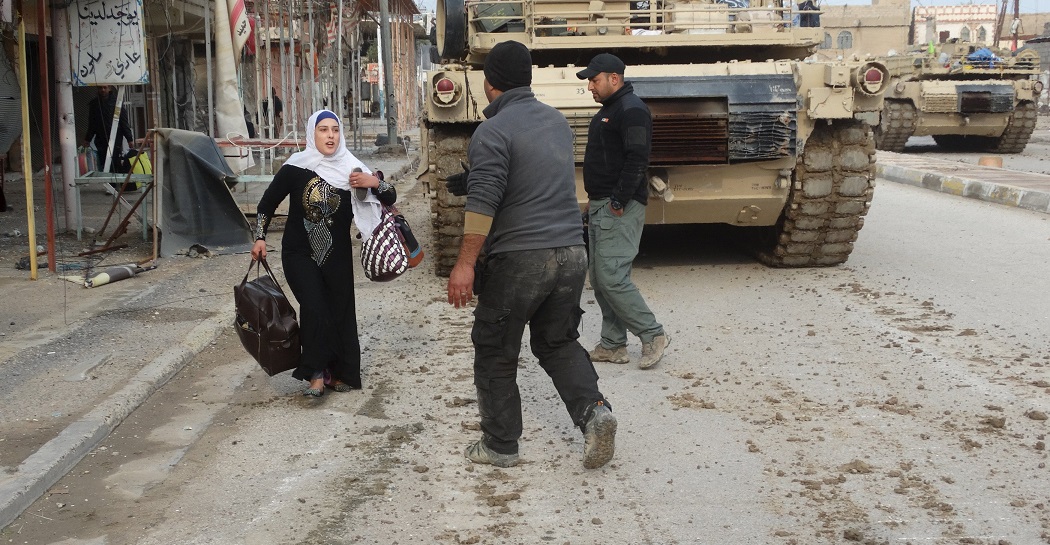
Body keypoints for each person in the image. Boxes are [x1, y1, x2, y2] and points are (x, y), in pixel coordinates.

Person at [445, 41, 616, 470]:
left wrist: (464, 264)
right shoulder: (556, 122)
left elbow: (484, 202)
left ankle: (500, 445)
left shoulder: (492, 131)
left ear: (489, 83)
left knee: (495, 348)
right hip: (572, 252)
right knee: (557, 341)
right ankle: (595, 414)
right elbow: (531, 176)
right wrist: (473, 179)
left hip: (522, 259)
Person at [251, 110, 395, 397]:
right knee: (315, 306)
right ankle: (315, 373)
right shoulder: (296, 167)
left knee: (340, 312)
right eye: (323, 130)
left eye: (335, 130)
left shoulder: (353, 168)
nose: (330, 135)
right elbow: (267, 203)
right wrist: (260, 237)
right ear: (311, 134)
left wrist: (374, 183)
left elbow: (390, 196)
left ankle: (338, 373)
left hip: (337, 255)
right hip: (298, 253)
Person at [576, 53, 670, 370]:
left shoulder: (631, 111)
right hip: (604, 202)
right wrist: (597, 199)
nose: (590, 86)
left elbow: (637, 159)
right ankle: (614, 345)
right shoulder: (613, 110)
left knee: (612, 277)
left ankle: (653, 334)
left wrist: (617, 201)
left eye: (594, 79)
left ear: (614, 78)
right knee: (602, 280)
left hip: (621, 206)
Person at [83, 85, 134, 173]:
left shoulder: (117, 103)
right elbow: (92, 124)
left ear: (109, 88)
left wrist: (129, 139)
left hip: (115, 137)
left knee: (114, 161)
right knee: (103, 161)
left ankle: (114, 184)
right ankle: (108, 183)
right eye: (100, 88)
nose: (103, 90)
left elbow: (123, 122)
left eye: (105, 88)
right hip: (100, 139)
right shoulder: (94, 104)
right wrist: (88, 139)